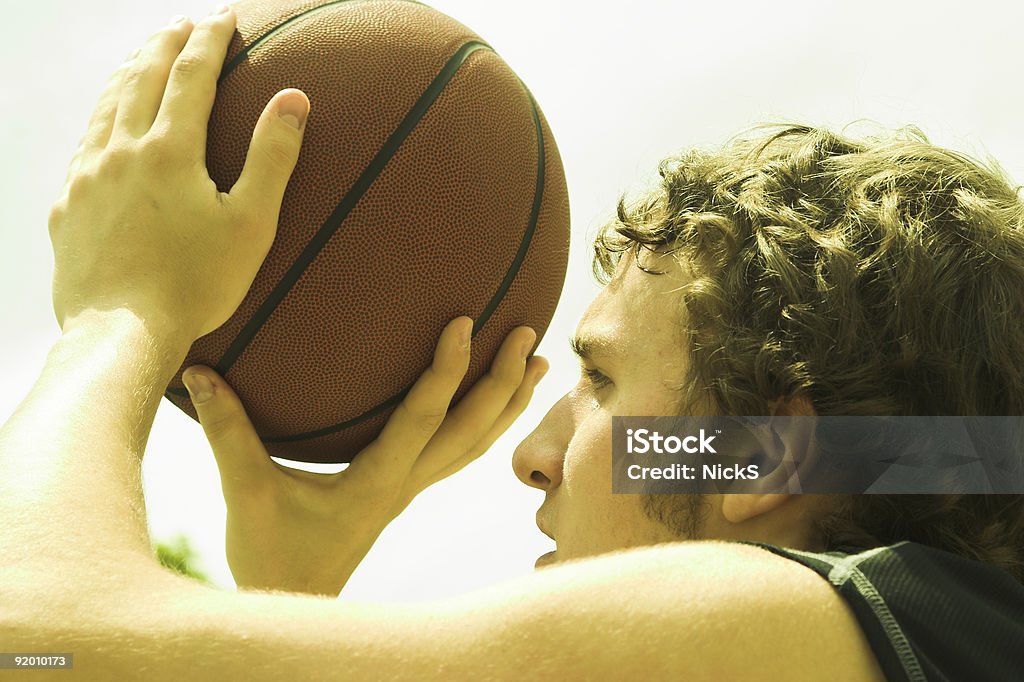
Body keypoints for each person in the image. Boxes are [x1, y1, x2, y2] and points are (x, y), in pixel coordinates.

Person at [1, 8, 1022, 680]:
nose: (532, 452)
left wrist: (118, 312)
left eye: (600, 377)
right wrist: (291, 595)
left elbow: (34, 634)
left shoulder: (774, 624)